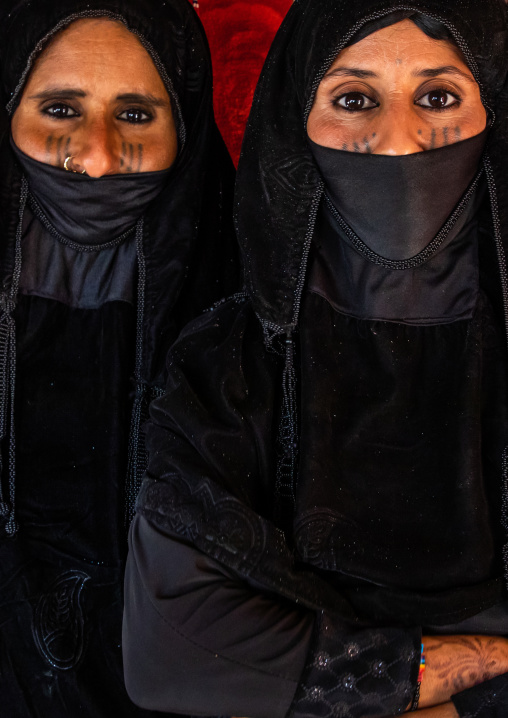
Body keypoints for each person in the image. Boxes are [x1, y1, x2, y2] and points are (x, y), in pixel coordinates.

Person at [124, 0, 508, 716]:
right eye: (355, 99)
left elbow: (235, 656)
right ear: (293, 120)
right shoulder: (227, 358)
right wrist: (451, 671)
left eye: (440, 96)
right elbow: (171, 648)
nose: (398, 142)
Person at [0, 0, 238, 716]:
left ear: (185, 127)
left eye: (135, 115)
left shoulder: (244, 304)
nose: (98, 157)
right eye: (60, 109)